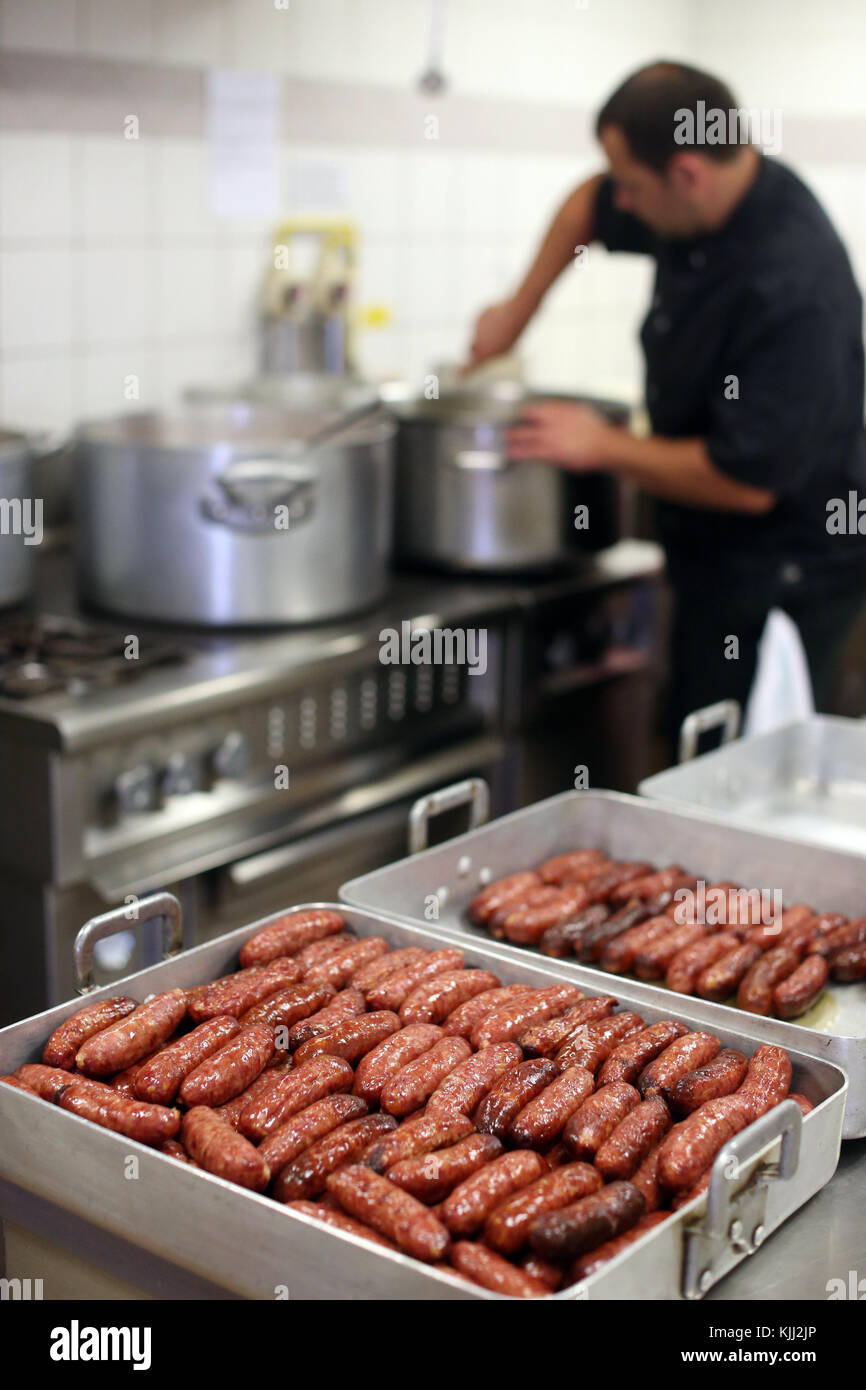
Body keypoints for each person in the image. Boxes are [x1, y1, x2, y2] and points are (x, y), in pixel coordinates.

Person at [468, 62, 866, 743]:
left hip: (783, 575)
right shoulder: (699, 200)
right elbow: (586, 207)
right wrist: (516, 312)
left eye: (631, 185)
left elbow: (747, 484)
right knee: (686, 741)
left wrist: (601, 446)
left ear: (686, 173)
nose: (620, 202)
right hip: (709, 551)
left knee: (734, 770)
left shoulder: (794, 286)